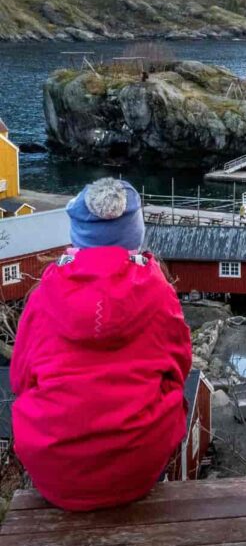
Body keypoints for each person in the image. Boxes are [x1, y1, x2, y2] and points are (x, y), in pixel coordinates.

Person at [10, 178, 192, 511]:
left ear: (78, 236)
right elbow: (180, 366)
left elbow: (20, 378)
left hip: (55, 472)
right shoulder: (158, 291)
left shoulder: (45, 294)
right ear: (134, 235)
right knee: (175, 397)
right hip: (137, 468)